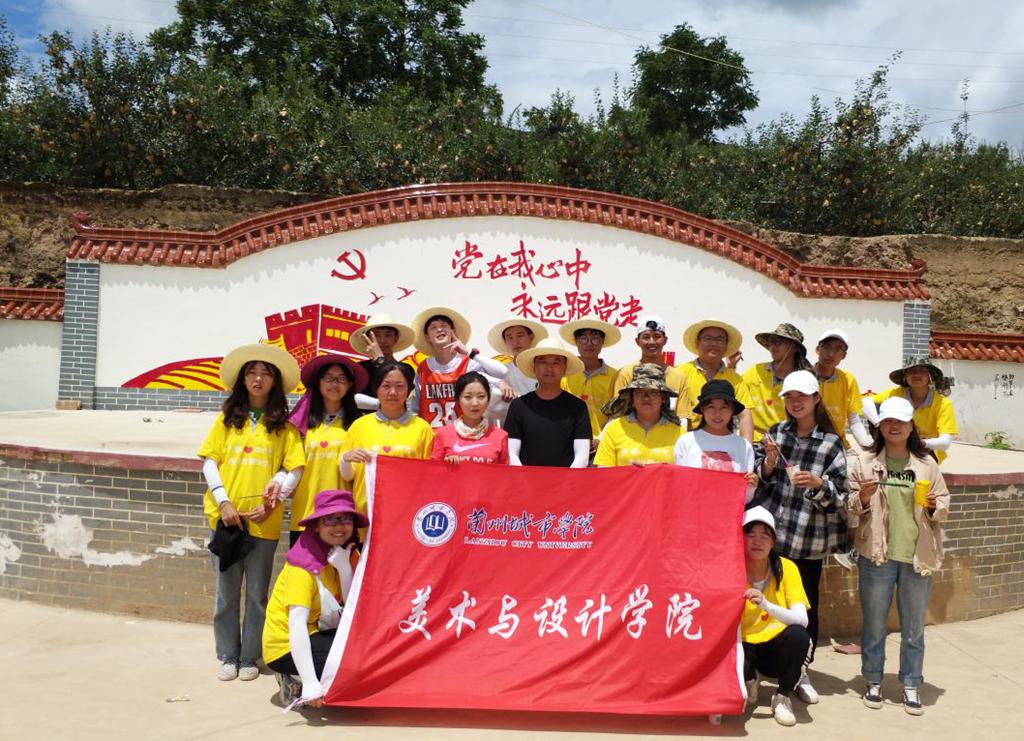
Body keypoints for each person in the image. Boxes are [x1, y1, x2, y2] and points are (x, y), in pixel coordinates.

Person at [198, 343, 305, 682]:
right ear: (243, 380)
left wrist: (275, 497)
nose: (258, 379)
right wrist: (223, 501)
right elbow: (209, 462)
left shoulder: (285, 428)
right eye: (252, 373)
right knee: (226, 594)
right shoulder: (226, 421)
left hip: (264, 522)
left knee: (258, 595)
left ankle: (249, 657)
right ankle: (227, 655)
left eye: (266, 374)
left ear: (275, 382)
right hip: (227, 520)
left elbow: (293, 468)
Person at [847, 397, 950, 716]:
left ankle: (911, 683)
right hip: (876, 555)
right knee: (874, 625)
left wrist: (933, 505)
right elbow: (850, 508)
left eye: (901, 421)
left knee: (914, 628)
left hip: (916, 556)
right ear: (879, 426)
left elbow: (943, 503)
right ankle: (873, 680)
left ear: (911, 426)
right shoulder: (865, 462)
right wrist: (863, 497)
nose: (894, 426)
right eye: (888, 421)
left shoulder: (927, 463)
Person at [752, 369, 848, 706]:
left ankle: (800, 671)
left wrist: (819, 485)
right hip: (775, 539)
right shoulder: (776, 433)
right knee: (767, 602)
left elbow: (841, 495)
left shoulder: (831, 443)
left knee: (806, 607)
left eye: (802, 397)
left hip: (808, 540)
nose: (795, 403)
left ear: (816, 399)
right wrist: (768, 463)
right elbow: (760, 481)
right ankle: (760, 666)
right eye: (789, 397)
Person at [262, 489, 366, 708]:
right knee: (350, 665)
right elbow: (296, 623)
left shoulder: (349, 554)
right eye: (330, 519)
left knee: (367, 653)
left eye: (345, 519)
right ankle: (295, 678)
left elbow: (353, 609)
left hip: (322, 629)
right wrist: (310, 682)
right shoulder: (302, 566)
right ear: (316, 526)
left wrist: (344, 569)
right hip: (286, 644)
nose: (339, 526)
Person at [740, 506, 812, 728]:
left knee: (799, 636)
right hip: (744, 646)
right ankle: (750, 679)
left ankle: (782, 697)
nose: (757, 541)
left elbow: (802, 620)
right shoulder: (731, 568)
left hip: (775, 648)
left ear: (773, 542)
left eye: (765, 535)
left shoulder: (786, 568)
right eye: (750, 534)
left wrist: (765, 604)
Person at [286, 354, 367, 546]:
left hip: (343, 519)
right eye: (329, 378)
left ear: (349, 385)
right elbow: (292, 466)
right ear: (318, 382)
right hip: (306, 514)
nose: (335, 384)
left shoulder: (360, 423)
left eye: (341, 379)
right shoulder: (300, 422)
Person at [341, 362, 435, 514]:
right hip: (366, 514)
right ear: (376, 389)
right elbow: (348, 476)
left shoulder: (422, 428)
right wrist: (346, 459)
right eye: (386, 386)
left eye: (400, 386)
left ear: (409, 390)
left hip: (406, 513)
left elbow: (429, 477)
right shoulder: (359, 426)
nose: (393, 392)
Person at [408, 306, 508, 428]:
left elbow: (502, 372)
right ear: (428, 337)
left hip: (463, 434)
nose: (439, 329)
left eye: (444, 325)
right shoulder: (423, 368)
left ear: (452, 332)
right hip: (432, 435)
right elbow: (415, 408)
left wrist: (468, 352)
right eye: (433, 327)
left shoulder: (468, 363)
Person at [505, 337, 591, 467]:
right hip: (526, 477)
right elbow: (511, 452)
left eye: (556, 362)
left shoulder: (578, 407)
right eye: (543, 362)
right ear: (534, 366)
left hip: (566, 478)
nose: (549, 368)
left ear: (564, 367)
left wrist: (569, 478)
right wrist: (522, 476)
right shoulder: (518, 406)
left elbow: (582, 454)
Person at [863, 357, 958, 465]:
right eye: (911, 371)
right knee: (876, 410)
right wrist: (878, 424)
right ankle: (882, 453)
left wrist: (920, 443)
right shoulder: (896, 393)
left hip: (925, 448)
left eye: (921, 371)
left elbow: (945, 442)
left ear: (930, 376)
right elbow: (864, 403)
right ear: (905, 377)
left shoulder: (942, 403)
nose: (916, 375)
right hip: (896, 443)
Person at [674, 379, 757, 502]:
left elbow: (745, 499)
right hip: (692, 511)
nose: (717, 414)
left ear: (732, 410)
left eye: (724, 407)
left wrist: (752, 486)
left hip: (728, 512)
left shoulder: (743, 446)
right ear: (702, 408)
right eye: (711, 407)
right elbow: (678, 487)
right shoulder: (686, 442)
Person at [677, 319, 754, 441]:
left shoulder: (736, 380)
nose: (714, 343)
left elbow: (744, 415)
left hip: (724, 442)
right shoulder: (680, 373)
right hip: (688, 441)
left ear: (726, 345)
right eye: (708, 338)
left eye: (719, 339)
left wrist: (747, 448)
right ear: (697, 342)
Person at [594, 364, 682, 467]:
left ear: (663, 398)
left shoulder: (680, 433)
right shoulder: (614, 429)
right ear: (632, 397)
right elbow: (604, 470)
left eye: (653, 393)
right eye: (639, 392)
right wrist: (630, 472)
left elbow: (686, 472)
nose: (646, 398)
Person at [559, 315, 621, 451]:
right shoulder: (565, 373)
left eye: (595, 338)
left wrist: (601, 438)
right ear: (576, 341)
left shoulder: (615, 377)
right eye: (583, 338)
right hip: (567, 445)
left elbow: (617, 414)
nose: (589, 343)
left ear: (602, 341)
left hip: (602, 447)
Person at [743, 323, 814, 442]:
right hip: (754, 441)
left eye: (780, 341)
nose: (774, 345)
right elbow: (735, 397)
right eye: (771, 341)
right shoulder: (754, 371)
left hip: (789, 442)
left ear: (795, 347)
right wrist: (731, 368)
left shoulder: (803, 379)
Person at [611, 315, 690, 418]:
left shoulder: (679, 378)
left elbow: (682, 418)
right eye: (646, 337)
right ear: (637, 341)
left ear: (665, 340)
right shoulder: (625, 374)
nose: (652, 342)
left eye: (657, 336)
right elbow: (618, 414)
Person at [431, 371, 510, 464]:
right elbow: (433, 470)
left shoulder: (501, 436)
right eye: (468, 397)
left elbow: (505, 472)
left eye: (481, 396)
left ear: (488, 400)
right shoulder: (443, 434)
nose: (475, 403)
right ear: (458, 400)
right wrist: (446, 465)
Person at [813, 329, 873, 449]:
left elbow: (854, 420)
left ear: (844, 355)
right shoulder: (804, 376)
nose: (831, 354)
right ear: (818, 349)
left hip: (837, 445)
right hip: (808, 444)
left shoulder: (848, 380)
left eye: (838, 349)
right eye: (826, 347)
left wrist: (866, 445)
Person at [485, 317, 548, 426]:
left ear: (531, 337)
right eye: (510, 338)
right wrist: (499, 383)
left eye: (520, 335)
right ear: (505, 342)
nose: (515, 342)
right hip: (510, 428)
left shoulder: (544, 370)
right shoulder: (500, 371)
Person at [349, 313, 416, 400]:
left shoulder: (406, 369)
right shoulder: (359, 369)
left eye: (388, 335)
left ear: (396, 338)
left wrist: (380, 360)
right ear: (367, 340)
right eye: (376, 335)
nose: (383, 340)